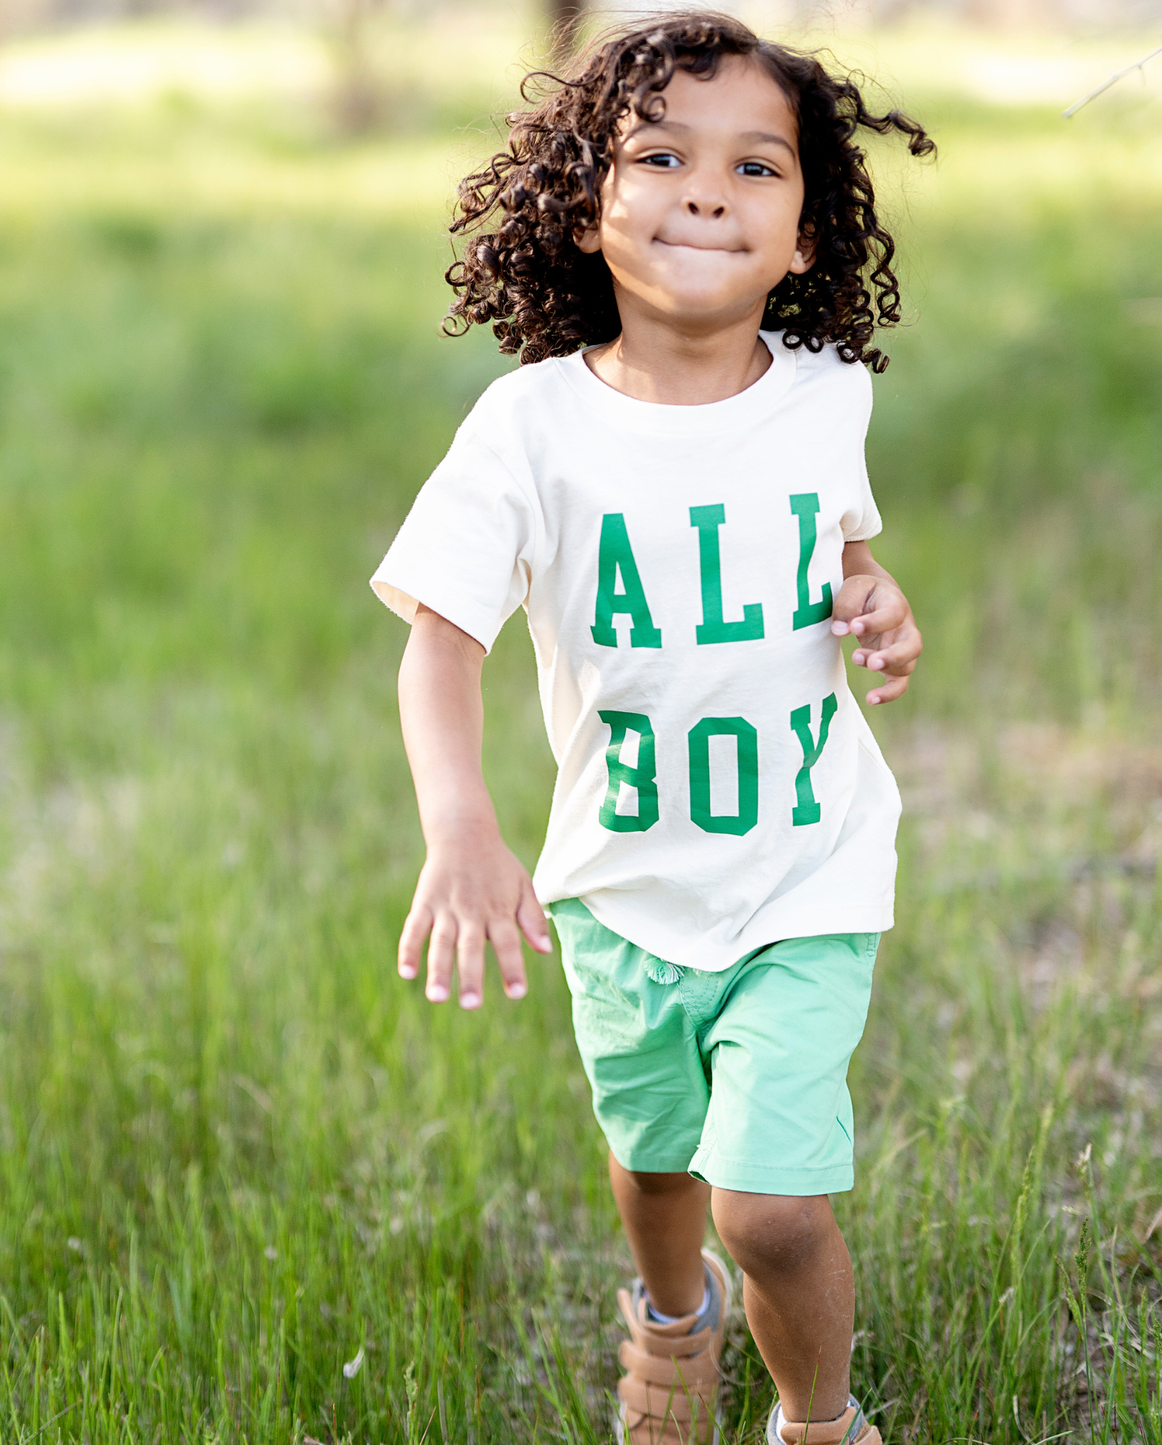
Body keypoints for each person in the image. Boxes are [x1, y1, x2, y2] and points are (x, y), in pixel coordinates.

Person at [371, 13, 930, 1445]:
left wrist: (876, 600)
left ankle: (819, 1423)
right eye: (662, 155)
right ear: (587, 199)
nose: (706, 190)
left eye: (757, 167)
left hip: (807, 876)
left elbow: (844, 551)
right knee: (657, 1162)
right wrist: (462, 825)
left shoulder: (826, 397)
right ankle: (670, 1321)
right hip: (623, 889)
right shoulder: (530, 430)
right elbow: (442, 643)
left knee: (773, 1208)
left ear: (807, 231)